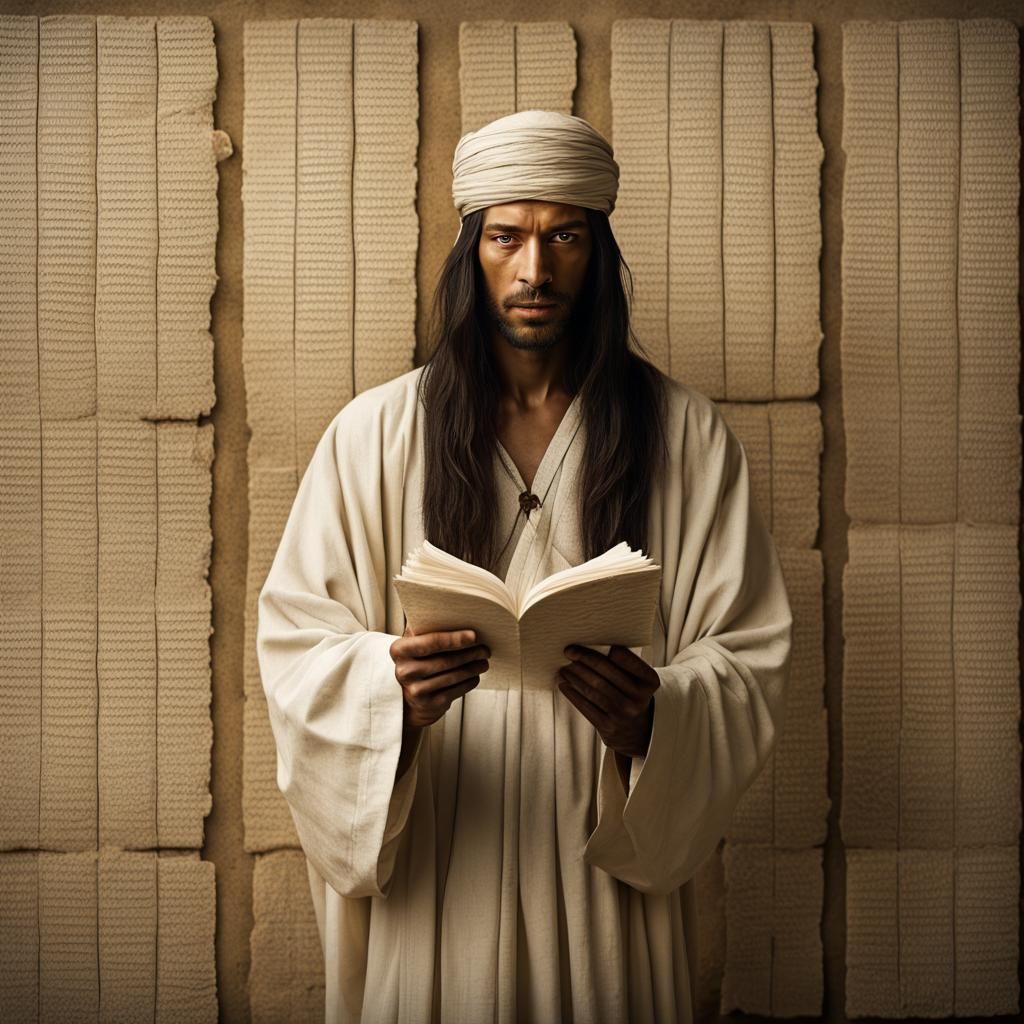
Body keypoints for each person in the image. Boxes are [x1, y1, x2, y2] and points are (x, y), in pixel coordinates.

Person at [256, 108, 792, 1024]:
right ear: (474, 250)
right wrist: (390, 690)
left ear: (597, 253)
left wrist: (656, 717)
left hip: (604, 875)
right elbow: (299, 650)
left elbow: (747, 659)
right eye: (507, 236)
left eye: (564, 238)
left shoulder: (689, 440)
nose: (535, 270)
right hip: (441, 861)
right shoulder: (373, 437)